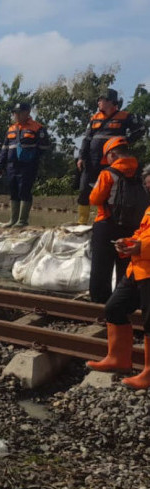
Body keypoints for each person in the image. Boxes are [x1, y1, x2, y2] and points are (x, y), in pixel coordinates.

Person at [87, 165, 150, 389]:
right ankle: (118, 359)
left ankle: (148, 373)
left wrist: (140, 246)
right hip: (138, 269)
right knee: (114, 307)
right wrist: (130, 242)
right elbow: (143, 233)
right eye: (147, 185)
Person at [76, 88, 145, 225]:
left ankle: (106, 218)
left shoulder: (125, 116)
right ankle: (82, 221)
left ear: (110, 101)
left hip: (113, 160)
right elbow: (87, 139)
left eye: (101, 100)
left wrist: (125, 142)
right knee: (85, 188)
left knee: (110, 190)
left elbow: (140, 130)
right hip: (92, 158)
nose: (98, 102)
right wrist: (81, 157)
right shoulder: (95, 118)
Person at [88, 137, 138, 303]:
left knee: (101, 269)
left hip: (106, 224)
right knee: (126, 268)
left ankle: (100, 303)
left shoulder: (108, 174)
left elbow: (94, 199)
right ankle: (124, 302)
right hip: (133, 227)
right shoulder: (140, 172)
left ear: (113, 154)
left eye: (107, 157)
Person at [0, 102, 50, 228]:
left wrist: (33, 157)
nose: (16, 115)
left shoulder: (37, 128)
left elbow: (44, 147)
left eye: (19, 112)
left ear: (27, 112)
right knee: (13, 191)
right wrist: (0, 166)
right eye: (15, 113)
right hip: (11, 166)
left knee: (24, 191)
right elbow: (4, 149)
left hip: (28, 166)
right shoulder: (11, 129)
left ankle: (22, 221)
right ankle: (13, 220)